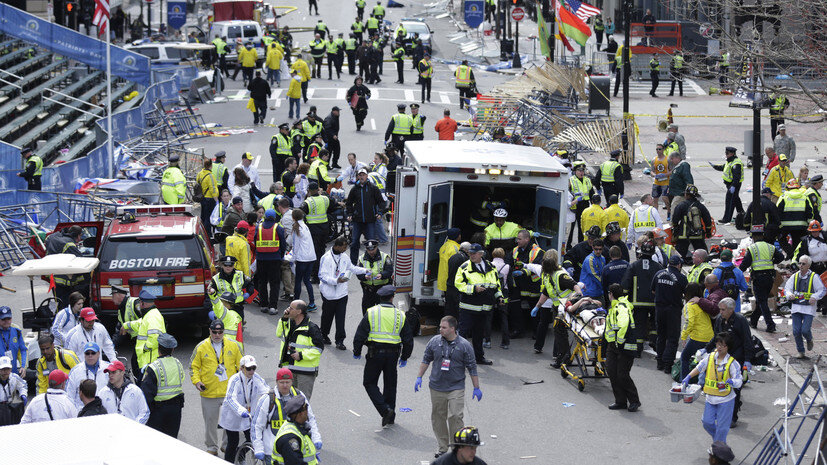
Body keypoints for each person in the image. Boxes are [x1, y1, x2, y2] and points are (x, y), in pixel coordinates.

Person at [416, 316, 481, 459]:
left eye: (443, 327)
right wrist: (419, 377)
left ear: (453, 329)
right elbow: (426, 359)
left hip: (455, 387)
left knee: (456, 416)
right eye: (440, 327)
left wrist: (476, 387)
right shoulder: (434, 342)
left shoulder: (464, 345)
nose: (440, 329)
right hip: (436, 387)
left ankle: (456, 448)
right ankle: (442, 448)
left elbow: (472, 367)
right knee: (438, 417)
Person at [352, 285, 414, 426]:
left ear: (380, 297)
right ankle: (390, 416)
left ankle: (385, 410)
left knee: (369, 382)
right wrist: (405, 357)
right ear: (392, 298)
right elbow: (408, 340)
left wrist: (357, 351)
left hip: (375, 353)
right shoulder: (400, 315)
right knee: (390, 385)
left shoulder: (371, 312)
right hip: (393, 355)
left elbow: (360, 334)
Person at [190, 319, 244, 456]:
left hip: (229, 392)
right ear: (210, 331)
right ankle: (212, 447)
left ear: (223, 332)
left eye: (220, 332)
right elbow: (193, 367)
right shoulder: (201, 347)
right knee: (210, 422)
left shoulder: (233, 345)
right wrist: (197, 382)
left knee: (230, 421)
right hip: (209, 392)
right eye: (214, 332)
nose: (217, 335)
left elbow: (241, 367)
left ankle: (227, 445)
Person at [251, 368, 321, 463]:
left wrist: (316, 438)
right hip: (271, 451)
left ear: (292, 381)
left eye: (287, 382)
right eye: (281, 382)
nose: (285, 385)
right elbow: (256, 426)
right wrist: (258, 448)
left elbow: (310, 418)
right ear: (276, 382)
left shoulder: (299, 396)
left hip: (295, 447)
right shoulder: (267, 400)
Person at [683, 333, 743, 443]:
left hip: (726, 400)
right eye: (718, 344)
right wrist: (688, 376)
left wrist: (733, 382)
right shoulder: (710, 357)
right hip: (710, 398)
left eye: (723, 345)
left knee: (722, 428)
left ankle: (718, 449)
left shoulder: (733, 363)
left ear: (727, 347)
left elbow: (739, 381)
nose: (719, 347)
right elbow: (699, 367)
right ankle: (719, 443)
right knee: (707, 422)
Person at [705, 298, 754, 428]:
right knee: (721, 385)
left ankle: (733, 416)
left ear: (731, 309)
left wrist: (748, 360)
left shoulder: (740, 321)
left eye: (723, 310)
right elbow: (716, 337)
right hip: (722, 357)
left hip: (736, 357)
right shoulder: (720, 320)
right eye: (720, 309)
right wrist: (706, 349)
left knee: (734, 388)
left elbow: (747, 341)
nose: (720, 312)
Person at [528, 251, 582, 364]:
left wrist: (578, 296)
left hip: (566, 308)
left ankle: (563, 358)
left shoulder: (560, 275)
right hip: (558, 308)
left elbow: (575, 285)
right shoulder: (549, 275)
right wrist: (537, 307)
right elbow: (546, 292)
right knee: (558, 333)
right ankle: (562, 357)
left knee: (561, 334)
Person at [454, 243, 503, 365]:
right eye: (470, 253)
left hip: (484, 309)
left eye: (474, 253)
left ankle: (479, 358)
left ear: (481, 254)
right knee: (462, 335)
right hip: (468, 308)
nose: (471, 255)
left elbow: (496, 284)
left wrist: (499, 297)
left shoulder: (491, 267)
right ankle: (459, 359)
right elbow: (458, 284)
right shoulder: (464, 267)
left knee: (479, 335)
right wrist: (473, 289)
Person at [319, 237, 370, 351]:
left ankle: (340, 340)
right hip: (329, 294)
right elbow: (322, 276)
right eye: (344, 246)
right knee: (327, 317)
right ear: (337, 246)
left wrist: (365, 270)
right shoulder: (326, 258)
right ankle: (324, 335)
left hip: (342, 294)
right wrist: (336, 281)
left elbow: (352, 268)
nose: (346, 248)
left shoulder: (344, 256)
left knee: (340, 318)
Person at [219, 355, 268, 462]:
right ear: (241, 368)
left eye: (254, 368)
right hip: (233, 415)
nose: (251, 371)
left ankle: (240, 454)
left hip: (249, 415)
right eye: (248, 368)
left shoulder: (256, 377)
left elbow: (266, 392)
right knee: (233, 442)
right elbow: (230, 398)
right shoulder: (235, 380)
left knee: (252, 439)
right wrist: (241, 410)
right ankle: (228, 462)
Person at [740, 225, 784, 332]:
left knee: (762, 301)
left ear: (753, 237)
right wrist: (771, 262)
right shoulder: (770, 247)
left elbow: (745, 264)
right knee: (762, 300)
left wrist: (738, 270)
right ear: (762, 235)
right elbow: (781, 257)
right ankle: (754, 321)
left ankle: (770, 324)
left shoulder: (752, 248)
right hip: (769, 277)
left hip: (758, 278)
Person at [621, 241, 662, 355]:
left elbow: (625, 284)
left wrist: (624, 297)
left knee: (639, 324)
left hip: (637, 302)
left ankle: (638, 349)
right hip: (653, 301)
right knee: (654, 323)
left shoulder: (634, 266)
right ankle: (653, 341)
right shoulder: (658, 267)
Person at [605, 284, 641, 412]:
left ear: (611, 294)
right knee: (612, 372)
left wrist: (619, 341)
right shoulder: (614, 307)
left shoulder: (622, 307)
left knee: (622, 375)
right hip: (613, 346)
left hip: (624, 347)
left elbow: (623, 325)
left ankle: (634, 401)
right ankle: (620, 401)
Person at [142, 333, 185, 437]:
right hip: (176, 409)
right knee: (172, 439)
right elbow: (182, 378)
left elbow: (147, 393)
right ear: (172, 349)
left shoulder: (153, 367)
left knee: (157, 442)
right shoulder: (178, 363)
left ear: (158, 348)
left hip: (158, 411)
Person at [785, 255, 826, 359]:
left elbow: (822, 290)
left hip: (808, 308)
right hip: (796, 307)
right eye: (799, 263)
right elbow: (787, 288)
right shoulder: (794, 276)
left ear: (808, 265)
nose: (801, 265)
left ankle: (809, 339)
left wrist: (814, 297)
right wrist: (789, 295)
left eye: (803, 264)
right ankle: (801, 351)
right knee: (796, 331)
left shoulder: (814, 277)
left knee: (805, 330)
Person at [653, 255, 688, 373]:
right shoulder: (681, 278)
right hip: (673, 310)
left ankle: (659, 362)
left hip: (660, 308)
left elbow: (653, 290)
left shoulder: (658, 274)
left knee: (661, 335)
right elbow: (686, 294)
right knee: (672, 338)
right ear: (679, 265)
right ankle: (668, 364)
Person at [346, 169, 385, 263]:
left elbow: (381, 202)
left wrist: (379, 213)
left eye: (363, 175)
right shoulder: (354, 189)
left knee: (371, 243)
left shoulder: (373, 188)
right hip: (357, 221)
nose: (362, 177)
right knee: (354, 242)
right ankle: (353, 263)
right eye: (360, 175)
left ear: (367, 176)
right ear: (358, 177)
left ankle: (374, 262)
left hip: (370, 221)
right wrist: (350, 214)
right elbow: (349, 203)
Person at [256, 208, 288, 315]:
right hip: (275, 260)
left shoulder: (259, 227)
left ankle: (264, 305)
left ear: (265, 216)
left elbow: (255, 240)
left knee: (262, 282)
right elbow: (283, 244)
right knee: (274, 283)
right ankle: (273, 306)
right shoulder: (278, 228)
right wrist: (281, 255)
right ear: (274, 217)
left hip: (261, 259)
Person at [272, 396, 319, 465]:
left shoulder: (297, 427)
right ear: (301, 413)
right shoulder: (289, 438)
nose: (307, 412)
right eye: (306, 409)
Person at [672, 184, 713, 260]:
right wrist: (708, 232)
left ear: (687, 195)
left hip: (683, 235)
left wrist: (676, 229)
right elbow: (707, 220)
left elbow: (675, 219)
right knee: (703, 255)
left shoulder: (681, 205)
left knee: (678, 256)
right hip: (697, 234)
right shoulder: (700, 206)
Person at [65, 341, 109, 409]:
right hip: (83, 412)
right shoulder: (75, 371)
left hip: (104, 411)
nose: (90, 355)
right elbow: (69, 395)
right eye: (87, 353)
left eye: (93, 353)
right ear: (84, 355)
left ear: (98, 354)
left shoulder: (108, 368)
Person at [708, 147, 745, 224]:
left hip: (733, 185)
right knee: (736, 199)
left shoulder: (736, 164)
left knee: (730, 201)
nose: (726, 155)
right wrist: (715, 166)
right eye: (725, 153)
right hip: (730, 185)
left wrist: (733, 186)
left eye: (727, 153)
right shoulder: (730, 161)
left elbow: (736, 177)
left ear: (732, 154)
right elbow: (723, 167)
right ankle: (742, 213)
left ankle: (727, 218)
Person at [777, 178, 813, 256]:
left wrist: (779, 224)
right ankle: (795, 257)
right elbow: (810, 211)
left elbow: (778, 211)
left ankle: (790, 253)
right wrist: (809, 223)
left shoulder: (783, 196)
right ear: (797, 187)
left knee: (781, 239)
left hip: (785, 226)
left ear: (788, 188)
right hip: (801, 225)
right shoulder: (804, 197)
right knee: (797, 241)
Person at [357, 240, 394, 313]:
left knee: (384, 314)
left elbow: (389, 271)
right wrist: (364, 277)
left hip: (382, 290)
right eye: (369, 249)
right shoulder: (361, 259)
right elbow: (358, 273)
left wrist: (382, 275)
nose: (371, 252)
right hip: (368, 291)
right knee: (367, 314)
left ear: (376, 247)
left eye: (373, 249)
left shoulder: (385, 257)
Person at [711, 249, 749, 314]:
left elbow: (710, 289)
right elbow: (744, 288)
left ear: (721, 258)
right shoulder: (738, 272)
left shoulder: (715, 271)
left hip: (720, 308)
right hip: (735, 308)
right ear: (731, 259)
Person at [568, 161, 595, 243]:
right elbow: (568, 194)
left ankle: (581, 243)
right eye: (579, 171)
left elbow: (591, 193)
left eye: (583, 171)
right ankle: (568, 245)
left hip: (585, 206)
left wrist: (594, 205)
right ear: (575, 171)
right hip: (574, 207)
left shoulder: (587, 180)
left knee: (582, 227)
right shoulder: (571, 180)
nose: (581, 173)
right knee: (571, 228)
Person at [0, 355, 26, 425]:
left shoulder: (14, 377)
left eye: (7, 369)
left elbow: (23, 385)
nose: (5, 371)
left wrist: (23, 395)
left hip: (9, 407)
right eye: (2, 369)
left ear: (11, 369)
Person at [668, 151, 694, 219]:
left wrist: (688, 192)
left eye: (672, 158)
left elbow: (688, 179)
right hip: (677, 192)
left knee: (674, 206)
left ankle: (673, 223)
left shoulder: (683, 165)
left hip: (681, 193)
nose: (671, 161)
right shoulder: (678, 166)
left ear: (677, 158)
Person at [579, 239, 606, 303]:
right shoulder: (589, 260)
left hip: (599, 292)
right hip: (588, 292)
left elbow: (602, 273)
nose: (598, 251)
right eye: (596, 249)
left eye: (600, 249)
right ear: (592, 247)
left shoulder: (602, 258)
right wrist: (605, 285)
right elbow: (594, 275)